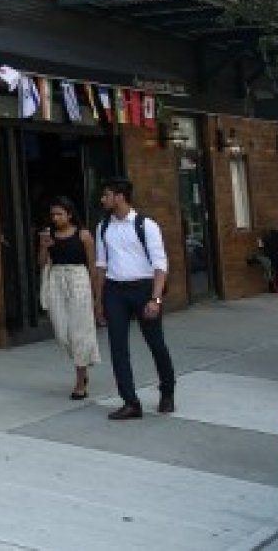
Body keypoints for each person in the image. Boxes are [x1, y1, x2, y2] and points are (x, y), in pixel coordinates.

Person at [95, 177, 175, 420]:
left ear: (120, 197)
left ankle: (167, 391)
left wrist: (156, 299)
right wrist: (98, 300)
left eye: (106, 195)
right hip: (115, 290)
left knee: (156, 343)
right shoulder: (103, 227)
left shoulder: (146, 225)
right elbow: (101, 265)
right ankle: (130, 402)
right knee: (117, 347)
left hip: (143, 289)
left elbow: (160, 264)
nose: (102, 199)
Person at [38, 197, 102, 399]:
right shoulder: (49, 235)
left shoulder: (83, 235)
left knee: (79, 332)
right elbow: (41, 263)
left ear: (70, 214)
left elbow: (92, 266)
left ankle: (80, 380)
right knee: (62, 333)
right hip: (56, 281)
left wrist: (97, 297)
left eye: (59, 214)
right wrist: (44, 246)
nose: (55, 218)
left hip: (78, 279)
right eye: (53, 214)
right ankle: (82, 365)